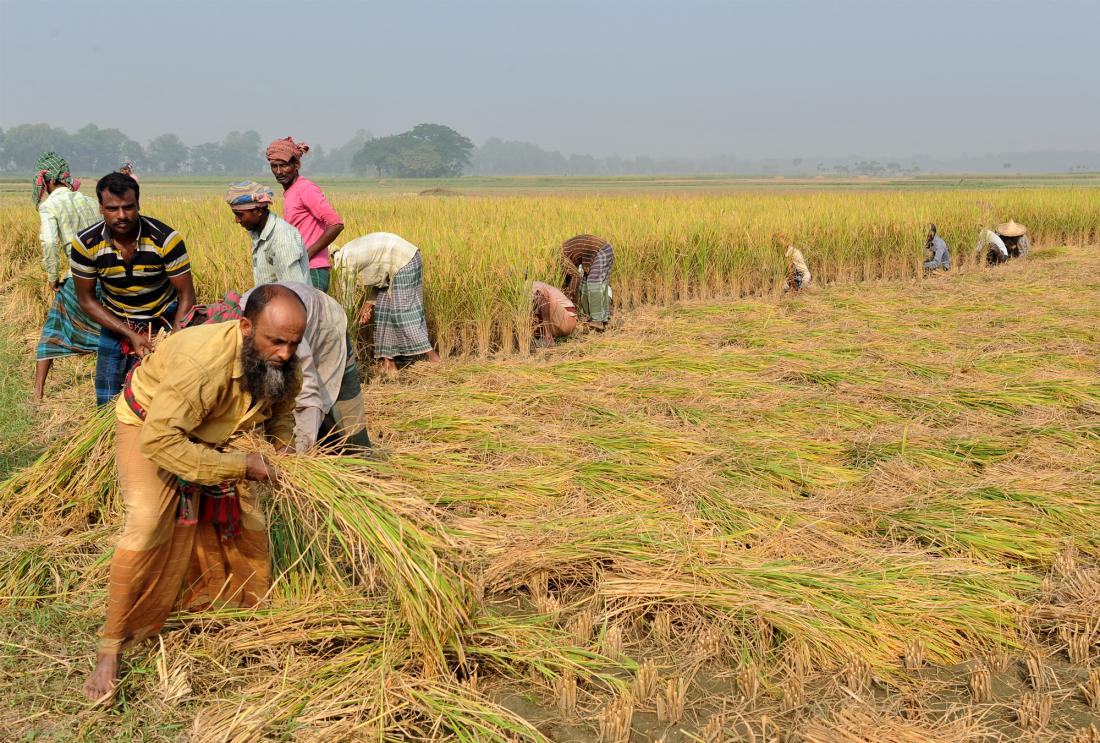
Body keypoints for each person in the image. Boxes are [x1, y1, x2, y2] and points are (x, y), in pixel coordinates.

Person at [82, 285, 305, 703]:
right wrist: (240, 466)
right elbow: (162, 442)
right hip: (152, 427)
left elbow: (282, 413)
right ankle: (110, 647)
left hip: (218, 432)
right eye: (276, 341)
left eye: (294, 342)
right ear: (245, 327)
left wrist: (281, 449)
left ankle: (235, 611)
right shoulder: (201, 365)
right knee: (148, 523)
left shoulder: (285, 361)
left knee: (250, 521)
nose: (286, 353)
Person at [70, 172, 196, 405]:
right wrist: (129, 333)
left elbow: (186, 295)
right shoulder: (86, 244)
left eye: (128, 207)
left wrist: (175, 341)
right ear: (100, 207)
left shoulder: (166, 240)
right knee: (107, 400)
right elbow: (87, 300)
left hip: (163, 320)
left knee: (165, 397)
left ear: (138, 203)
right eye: (112, 208)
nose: (121, 216)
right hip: (118, 320)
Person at [240, 282, 370, 452]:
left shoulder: (284, 340)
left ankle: (364, 464)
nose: (285, 355)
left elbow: (308, 397)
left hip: (326, 322)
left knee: (347, 419)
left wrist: (297, 453)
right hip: (299, 313)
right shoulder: (237, 337)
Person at [31, 152, 103, 400]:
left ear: (47, 180)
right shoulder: (89, 201)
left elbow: (50, 242)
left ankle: (38, 394)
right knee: (109, 329)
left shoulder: (50, 205)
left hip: (77, 277)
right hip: (106, 275)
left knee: (51, 332)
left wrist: (52, 276)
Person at [332, 232, 442, 374]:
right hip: (393, 267)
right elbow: (380, 277)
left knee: (402, 314)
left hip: (405, 261)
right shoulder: (346, 253)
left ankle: (435, 359)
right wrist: (367, 307)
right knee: (383, 312)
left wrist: (349, 325)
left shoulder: (344, 265)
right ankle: (388, 364)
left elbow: (346, 306)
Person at [266, 137, 344, 292]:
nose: (279, 171)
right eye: (274, 166)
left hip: (313, 271)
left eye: (284, 165)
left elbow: (336, 224)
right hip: (298, 270)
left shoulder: (305, 188)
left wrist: (306, 257)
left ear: (297, 165)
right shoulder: (290, 192)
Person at [225, 181, 310, 287]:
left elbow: (295, 290)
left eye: (240, 215)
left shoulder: (281, 238)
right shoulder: (258, 233)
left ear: (258, 211)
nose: (237, 220)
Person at [560, 234, 614, 330]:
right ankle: (602, 318)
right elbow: (570, 277)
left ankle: (597, 320)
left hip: (600, 251)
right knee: (586, 286)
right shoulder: (562, 253)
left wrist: (569, 296)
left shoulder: (560, 258)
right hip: (602, 250)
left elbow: (575, 276)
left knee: (594, 283)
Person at [532, 280, 578, 348]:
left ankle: (548, 338)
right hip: (557, 324)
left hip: (567, 319)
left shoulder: (530, 286)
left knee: (541, 293)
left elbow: (542, 296)